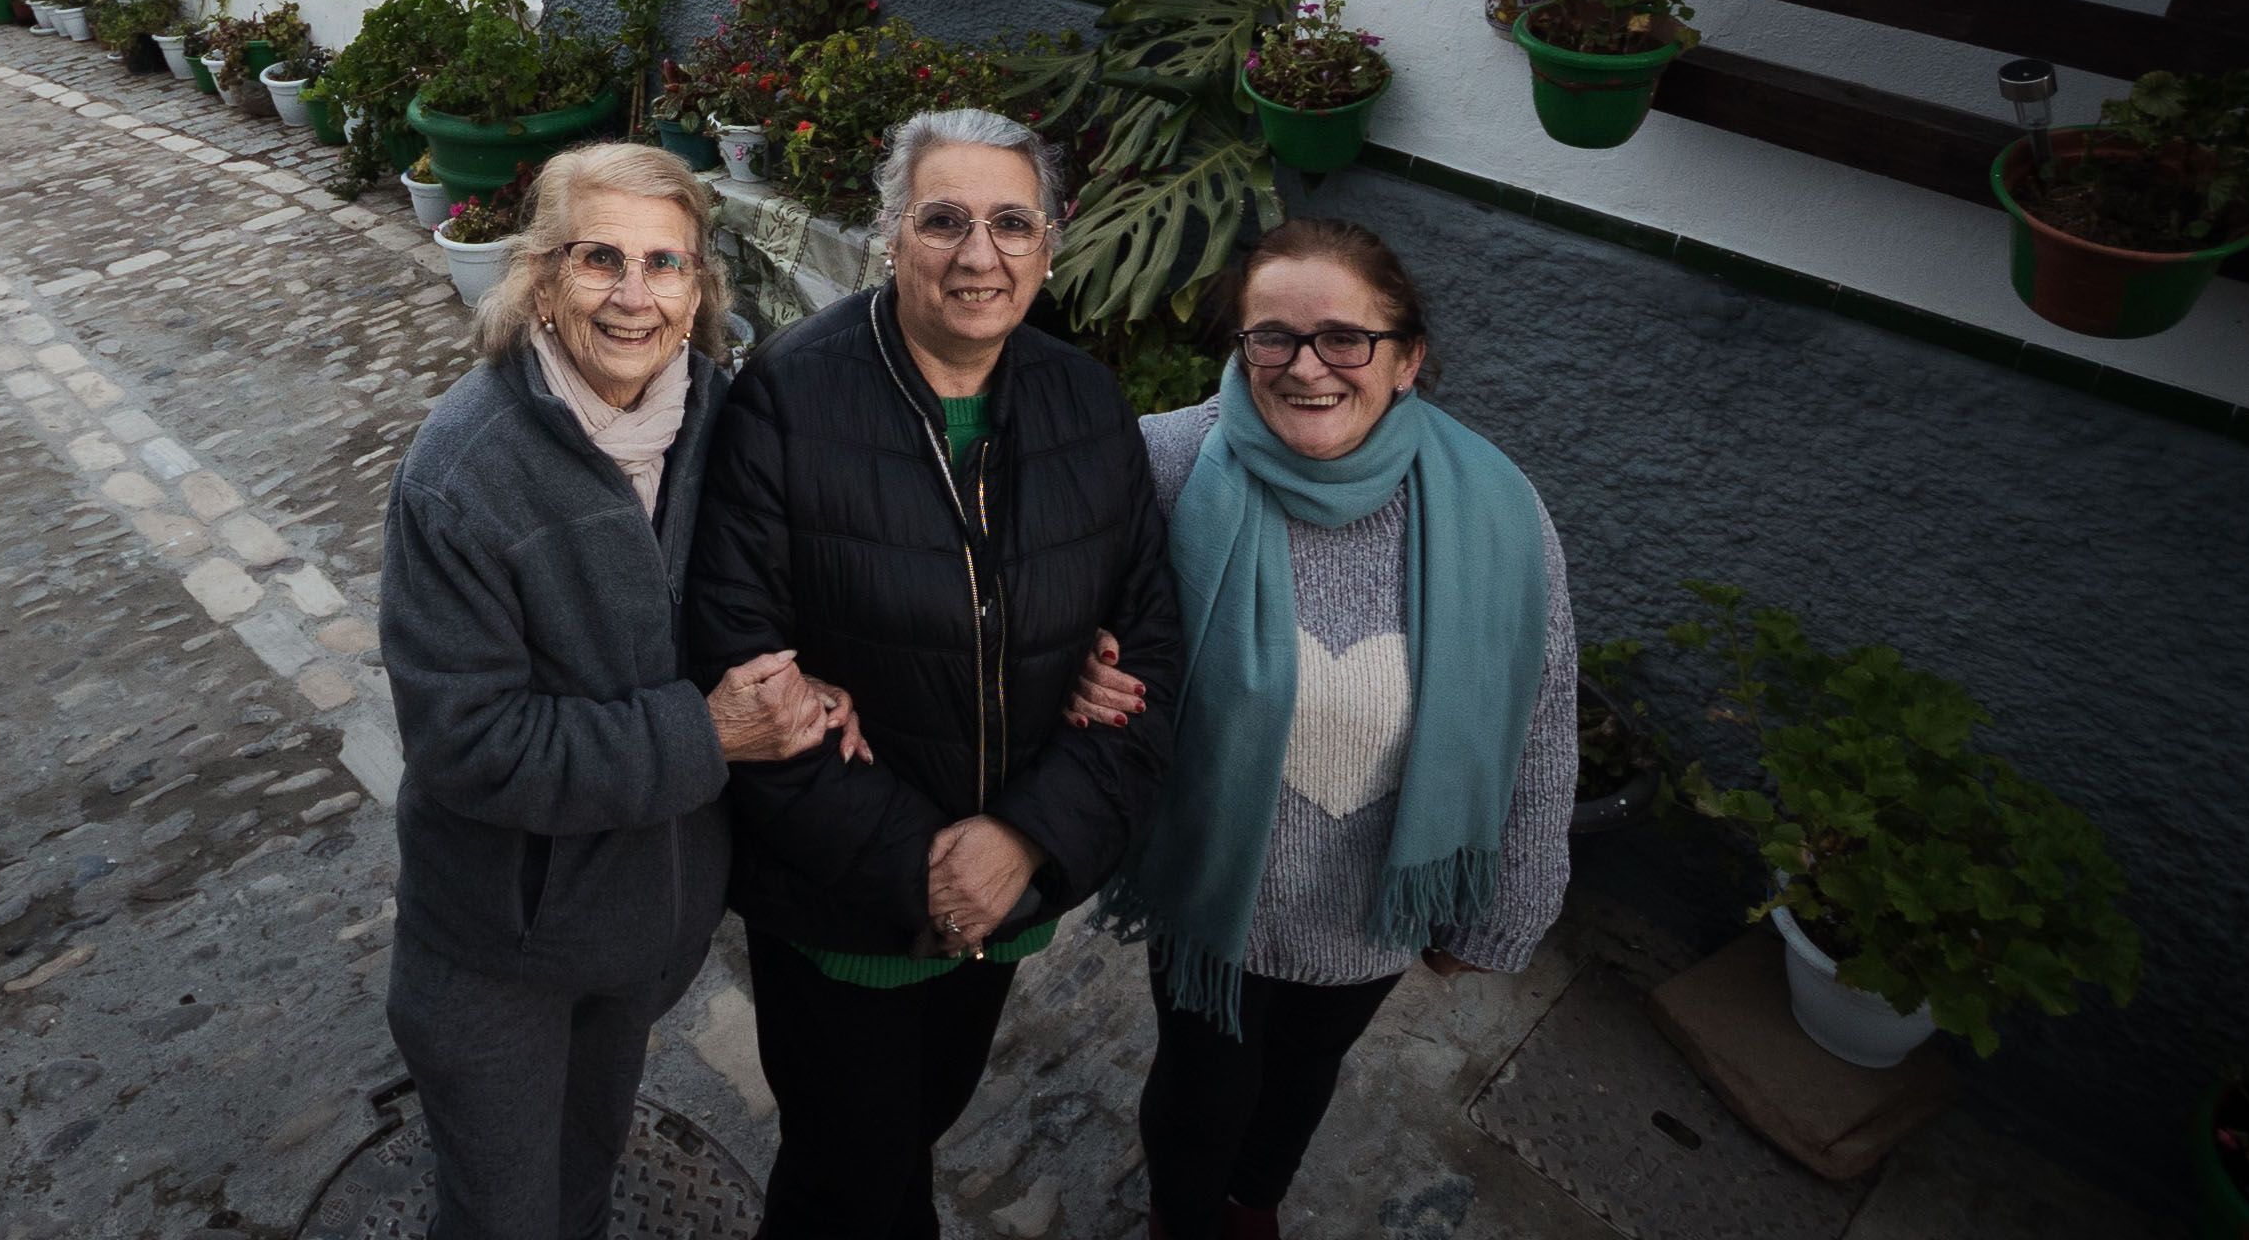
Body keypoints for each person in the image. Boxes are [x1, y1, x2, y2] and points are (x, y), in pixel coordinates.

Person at [689, 108, 1184, 1239]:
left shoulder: (1087, 405)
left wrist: (1022, 842)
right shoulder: (788, 398)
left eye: (1013, 222)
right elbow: (740, 667)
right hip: (842, 912)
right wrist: (922, 865)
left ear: (1051, 244)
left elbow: (1147, 651)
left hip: (1006, 896)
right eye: (945, 219)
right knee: (854, 1176)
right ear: (890, 237)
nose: (980, 253)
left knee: (916, 1127)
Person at [379, 142, 857, 1240]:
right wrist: (708, 730)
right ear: (542, 276)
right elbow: (470, 743)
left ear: (701, 287)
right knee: (504, 1215)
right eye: (601, 259)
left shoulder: (726, 423)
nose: (635, 296)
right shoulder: (464, 472)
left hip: (650, 927)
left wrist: (836, 671)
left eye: (667, 263)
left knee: (587, 1175)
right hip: (501, 947)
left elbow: (798, 583)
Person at [1073, 217, 1575, 1240]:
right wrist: (1076, 664)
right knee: (1203, 1085)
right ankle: (1182, 1215)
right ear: (1239, 346)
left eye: (1346, 338)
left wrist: (1506, 906)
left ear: (1407, 358)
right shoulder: (1164, 464)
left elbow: (1542, 711)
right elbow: (1048, 601)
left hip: (1375, 902)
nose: (1309, 367)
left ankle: (1255, 1200)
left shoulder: (1499, 507)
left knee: (1306, 1072)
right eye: (1274, 337)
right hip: (1215, 893)